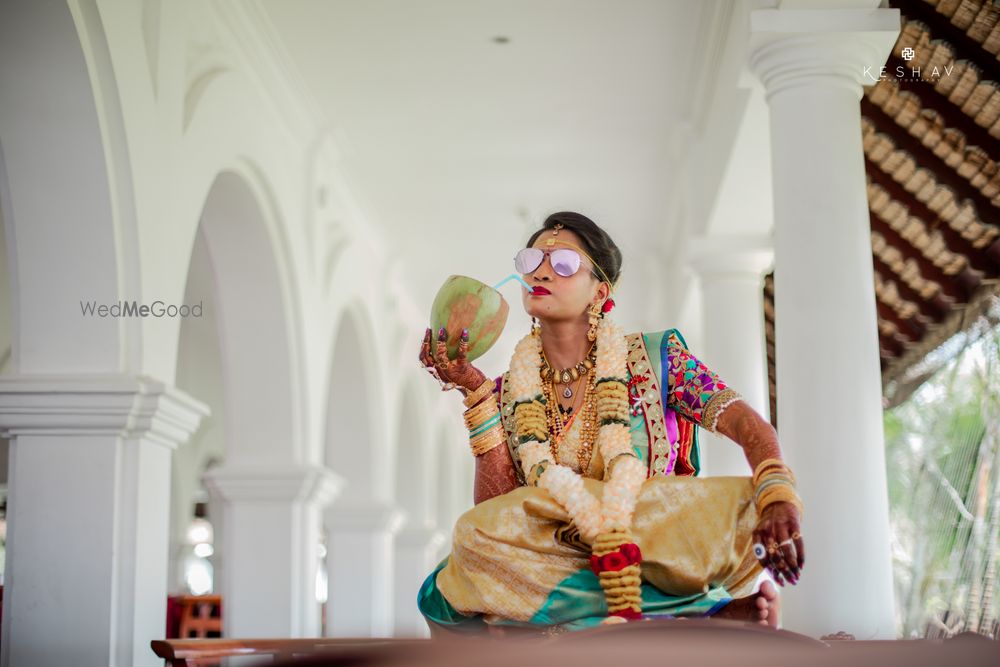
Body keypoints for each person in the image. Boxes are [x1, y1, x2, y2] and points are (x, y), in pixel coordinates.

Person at [417, 211, 803, 635]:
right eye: (531, 261)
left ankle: (568, 622)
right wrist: (477, 393)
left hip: (653, 537)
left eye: (563, 263)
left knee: (745, 504)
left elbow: (748, 426)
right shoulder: (510, 389)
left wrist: (777, 494)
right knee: (472, 537)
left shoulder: (657, 358)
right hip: (556, 547)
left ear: (599, 291)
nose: (541, 270)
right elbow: (496, 510)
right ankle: (687, 612)